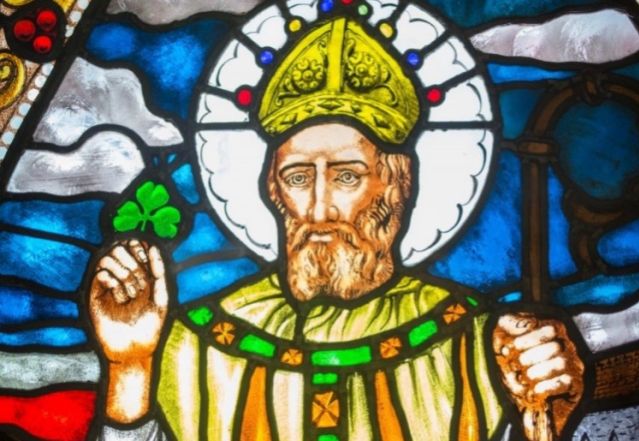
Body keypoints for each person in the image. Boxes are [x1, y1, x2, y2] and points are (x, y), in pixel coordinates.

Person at [90, 15, 585, 441]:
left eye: (347, 176)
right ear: (272, 190)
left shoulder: (474, 343)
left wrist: (544, 418)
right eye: (298, 177)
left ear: (397, 185)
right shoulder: (198, 344)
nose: (319, 207)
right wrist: (129, 367)